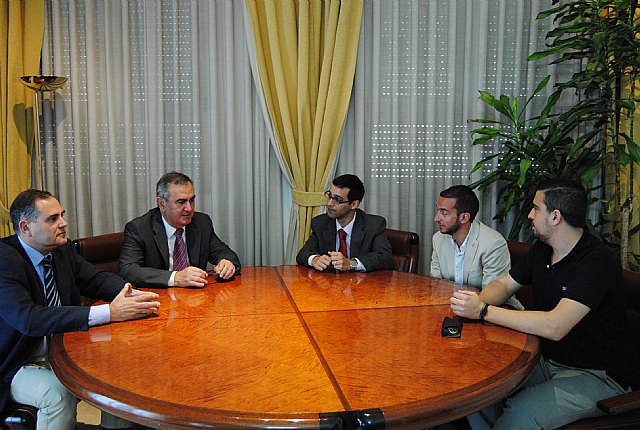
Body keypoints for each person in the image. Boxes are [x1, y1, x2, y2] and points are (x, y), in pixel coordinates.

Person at [450, 179, 640, 429]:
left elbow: (555, 326)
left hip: (598, 373)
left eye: (536, 208)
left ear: (555, 217)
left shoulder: (597, 261)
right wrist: (478, 301)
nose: (529, 215)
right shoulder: (543, 250)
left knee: (519, 415)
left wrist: (483, 311)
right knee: (476, 387)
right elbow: (505, 285)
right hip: (544, 358)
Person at [0, 189, 161, 429]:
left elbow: (95, 279)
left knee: (121, 377)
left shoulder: (62, 250)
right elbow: (30, 319)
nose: (64, 223)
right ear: (25, 228)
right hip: (16, 362)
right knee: (57, 394)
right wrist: (110, 313)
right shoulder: (5, 261)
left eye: (62, 215)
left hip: (64, 351)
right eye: (52, 219)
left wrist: (133, 295)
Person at [119, 171, 241, 289]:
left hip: (196, 299)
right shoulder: (140, 228)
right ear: (161, 203)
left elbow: (226, 254)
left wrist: (227, 263)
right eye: (181, 202)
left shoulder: (201, 222)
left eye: (192, 200)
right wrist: (175, 277)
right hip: (159, 300)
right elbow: (128, 270)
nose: (189, 208)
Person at [431, 185, 521, 309]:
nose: (436, 218)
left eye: (444, 213)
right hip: (453, 308)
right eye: (438, 211)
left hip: (494, 312)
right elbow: (436, 285)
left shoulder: (493, 244)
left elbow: (493, 298)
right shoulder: (438, 239)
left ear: (464, 217)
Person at [296, 174, 394, 272]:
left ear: (354, 204)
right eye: (330, 196)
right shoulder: (320, 223)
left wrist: (351, 263)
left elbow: (385, 258)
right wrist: (314, 259)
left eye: (337, 200)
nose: (329, 203)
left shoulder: (374, 225)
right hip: (330, 285)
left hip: (361, 284)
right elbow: (303, 254)